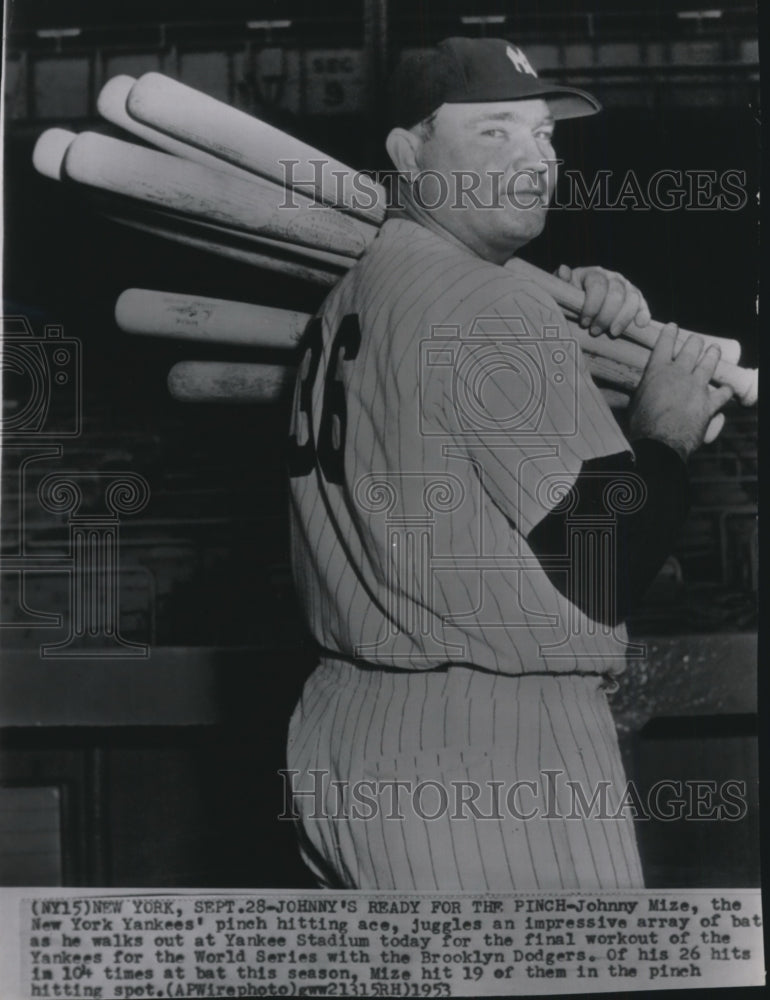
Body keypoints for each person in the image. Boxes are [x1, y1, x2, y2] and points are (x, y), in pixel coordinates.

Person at [284, 37, 732, 891]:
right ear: (407, 153)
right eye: (495, 133)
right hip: (491, 747)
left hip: (350, 728)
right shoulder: (491, 300)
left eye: (545, 137)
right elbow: (603, 560)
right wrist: (665, 430)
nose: (537, 159)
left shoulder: (352, 294)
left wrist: (582, 344)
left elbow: (480, 477)